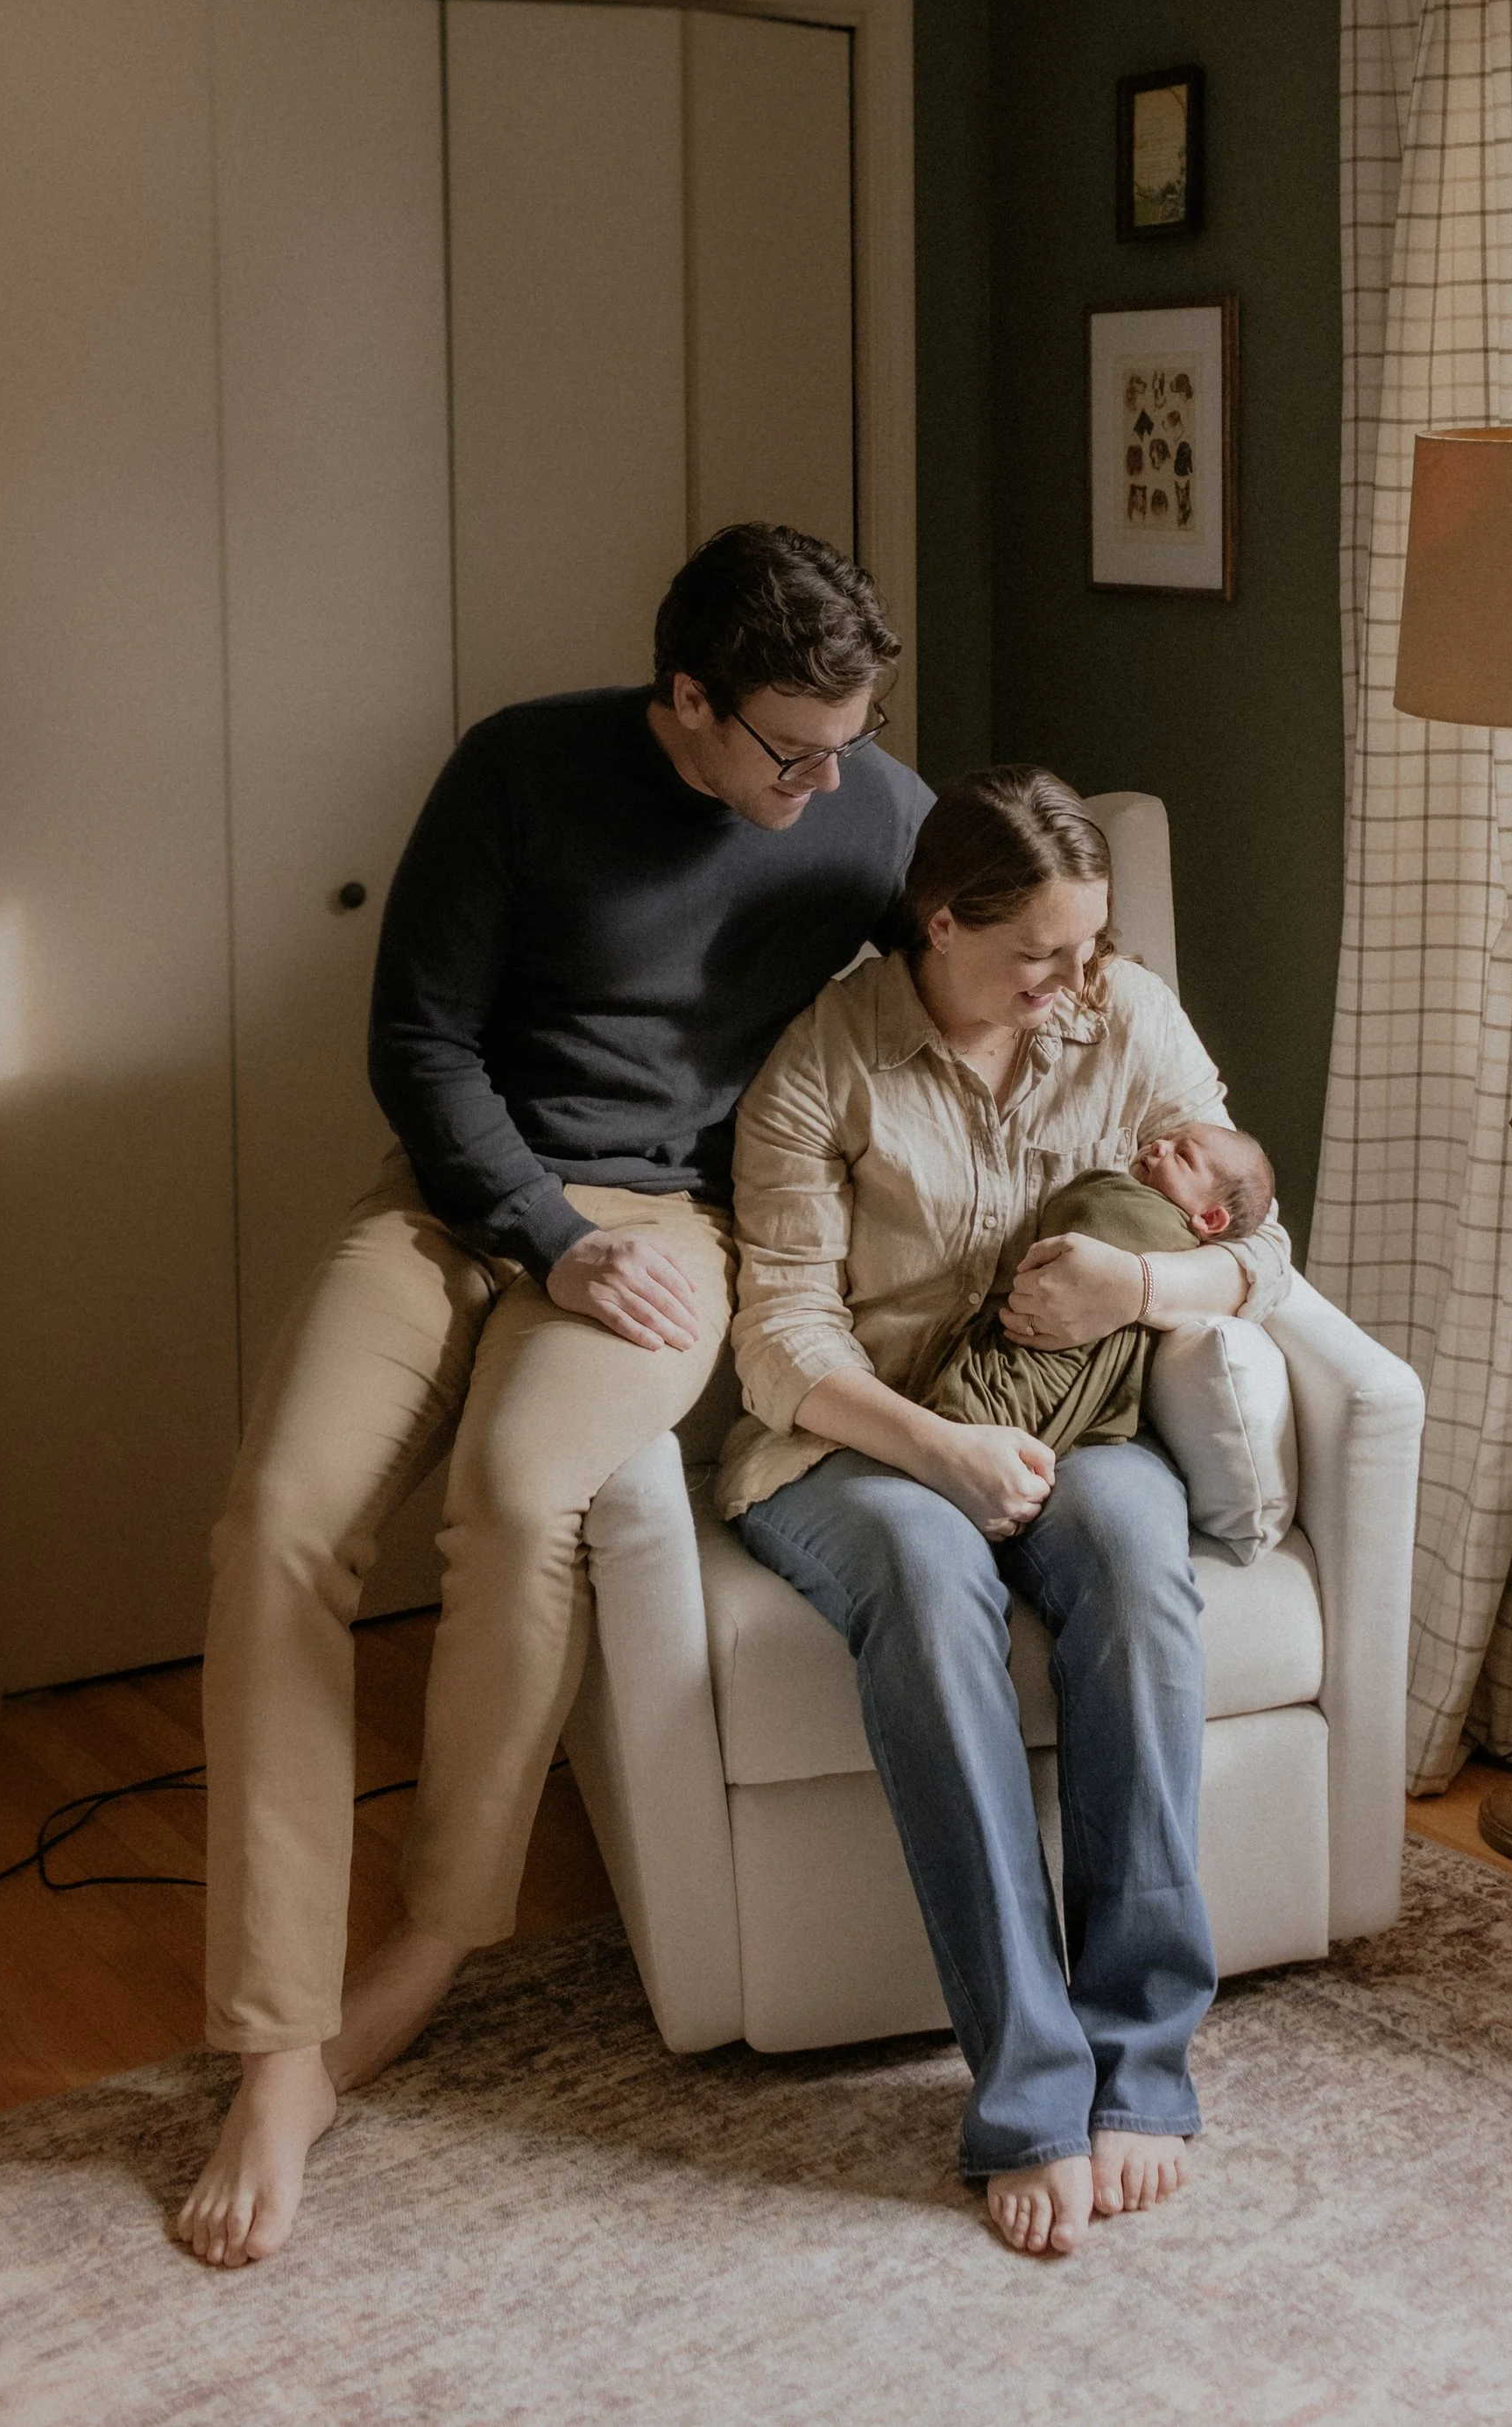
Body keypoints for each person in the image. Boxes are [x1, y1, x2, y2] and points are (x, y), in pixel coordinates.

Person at [178, 524, 929, 2268]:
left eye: (849, 741)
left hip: (671, 1225)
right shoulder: (519, 767)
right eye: (790, 748)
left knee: (518, 1504)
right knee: (277, 1523)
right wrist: (531, 1233)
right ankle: (279, 2041)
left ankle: (431, 1942)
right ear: (683, 696)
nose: (827, 784)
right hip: (456, 1201)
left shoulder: (870, 808)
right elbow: (418, 1042)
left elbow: (996, 976)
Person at [719, 767, 1290, 2260]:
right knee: (926, 1577)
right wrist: (942, 1453)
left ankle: (1140, 2058)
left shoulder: (1128, 1019)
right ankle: (1031, 2089)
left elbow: (1261, 1250)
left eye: (1087, 947)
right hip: (860, 1440)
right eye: (1037, 954)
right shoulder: (825, 1064)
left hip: (1076, 1421)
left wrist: (1143, 1285)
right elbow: (781, 1339)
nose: (1068, 984)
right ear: (940, 922)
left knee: (1129, 1551)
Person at [918, 1122, 1275, 1459]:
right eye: (1167, 1137)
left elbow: (1085, 1208)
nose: (1158, 1144)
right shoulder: (1149, 1208)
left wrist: (1137, 1284)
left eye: (1183, 1155)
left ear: (1210, 1219)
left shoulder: (1159, 1226)